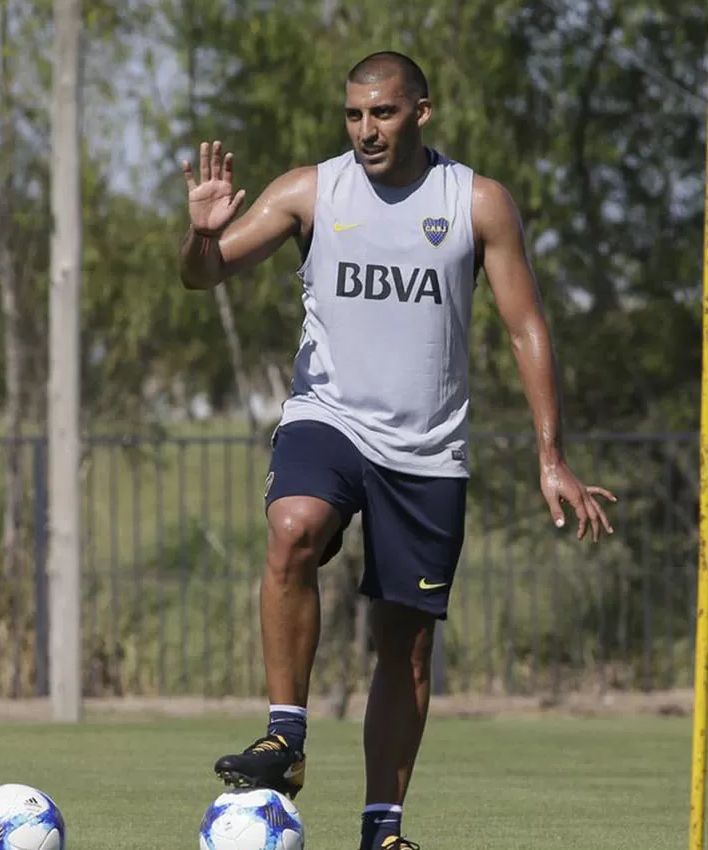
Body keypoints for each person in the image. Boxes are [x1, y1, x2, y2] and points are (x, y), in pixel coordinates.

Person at [176, 51, 617, 850]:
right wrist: (200, 237)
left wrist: (551, 455)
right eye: (353, 115)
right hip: (329, 417)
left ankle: (382, 830)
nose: (366, 130)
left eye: (382, 113)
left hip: (427, 449)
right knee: (292, 529)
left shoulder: (476, 202)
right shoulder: (310, 190)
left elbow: (526, 327)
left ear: (421, 111)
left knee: (406, 646)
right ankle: (286, 735)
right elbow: (205, 276)